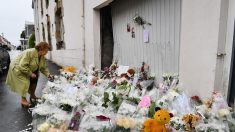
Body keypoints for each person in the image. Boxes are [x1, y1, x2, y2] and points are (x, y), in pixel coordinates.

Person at [6, 41, 53, 107]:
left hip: (27, 67)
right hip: (17, 67)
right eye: (46, 50)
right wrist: (30, 73)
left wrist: (48, 74)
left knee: (35, 78)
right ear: (41, 49)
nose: (47, 52)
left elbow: (43, 67)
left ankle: (32, 95)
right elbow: (22, 65)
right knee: (25, 81)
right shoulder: (30, 52)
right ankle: (23, 100)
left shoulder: (41, 56)